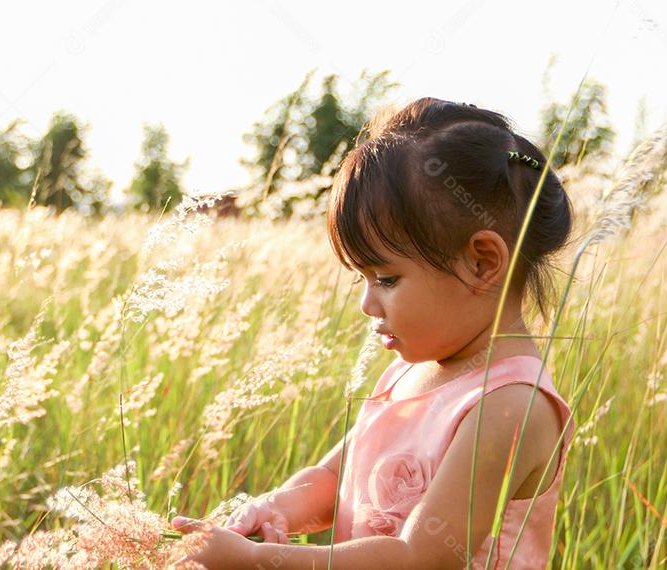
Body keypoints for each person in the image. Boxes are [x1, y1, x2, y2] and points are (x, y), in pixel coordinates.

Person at [172, 97, 576, 569]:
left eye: (386, 279)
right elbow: (333, 477)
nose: (367, 304)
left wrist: (260, 561)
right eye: (361, 279)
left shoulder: (510, 406)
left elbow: (418, 558)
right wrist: (277, 507)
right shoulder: (409, 373)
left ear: (481, 262)